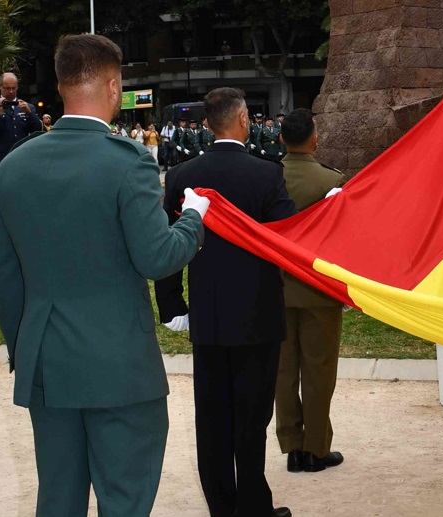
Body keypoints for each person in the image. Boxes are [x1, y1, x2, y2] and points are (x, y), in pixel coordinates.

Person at [0, 33, 207, 517]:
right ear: (113, 87)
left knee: (58, 499)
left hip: (46, 362)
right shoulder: (126, 161)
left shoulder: (12, 168)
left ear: (62, 86)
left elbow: (3, 279)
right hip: (119, 363)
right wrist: (194, 219)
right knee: (125, 499)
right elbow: (157, 257)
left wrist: (26, 348)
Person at [159, 87, 297, 517]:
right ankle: (253, 506)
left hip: (209, 312)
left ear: (207, 125)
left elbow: (167, 244)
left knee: (212, 416)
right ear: (242, 120)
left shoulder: (181, 175)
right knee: (253, 418)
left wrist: (172, 303)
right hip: (258, 313)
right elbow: (290, 237)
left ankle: (221, 506)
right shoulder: (267, 175)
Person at [274, 108, 348, 473]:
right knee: (319, 372)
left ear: (281, 139)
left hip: (277, 289)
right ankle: (316, 448)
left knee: (284, 372)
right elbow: (342, 239)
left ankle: (292, 447)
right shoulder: (330, 181)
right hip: (319, 290)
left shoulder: (269, 177)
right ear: (314, 139)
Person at [0, 72, 43, 175]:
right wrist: (0, 114)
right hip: (0, 159)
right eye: (7, 88)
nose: (11, 91)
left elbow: (38, 130)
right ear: (0, 87)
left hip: (22, 158)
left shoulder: (27, 106)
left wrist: (29, 113)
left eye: (14, 88)